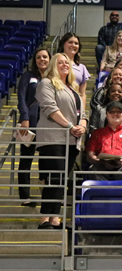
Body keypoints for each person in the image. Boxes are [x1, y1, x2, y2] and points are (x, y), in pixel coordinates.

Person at [35, 53, 87, 229]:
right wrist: (71, 126)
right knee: (54, 178)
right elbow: (51, 109)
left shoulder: (72, 88)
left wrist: (83, 127)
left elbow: (83, 114)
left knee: (62, 180)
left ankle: (55, 219)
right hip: (53, 140)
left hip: (71, 141)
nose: (65, 64)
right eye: (60, 62)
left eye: (67, 62)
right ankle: (45, 219)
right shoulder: (46, 83)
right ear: (52, 65)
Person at [17, 48, 51, 207]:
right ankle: (25, 196)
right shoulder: (27, 76)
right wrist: (24, 117)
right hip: (29, 124)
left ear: (50, 59)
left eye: (45, 57)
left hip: (49, 125)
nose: (42, 59)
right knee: (26, 160)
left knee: (46, 161)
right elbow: (21, 98)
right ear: (35, 60)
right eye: (39, 57)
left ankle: (46, 195)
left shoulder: (53, 78)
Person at [86, 102, 122, 181]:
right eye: (112, 112)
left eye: (119, 112)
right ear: (106, 115)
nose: (115, 114)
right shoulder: (97, 133)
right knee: (93, 171)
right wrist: (100, 162)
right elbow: (90, 155)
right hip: (101, 166)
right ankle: (100, 193)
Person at [57, 33, 89, 110]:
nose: (73, 45)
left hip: (74, 106)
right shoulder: (54, 62)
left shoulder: (82, 68)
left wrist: (82, 113)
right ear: (63, 44)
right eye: (70, 42)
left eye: (76, 43)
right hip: (57, 104)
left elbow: (82, 94)